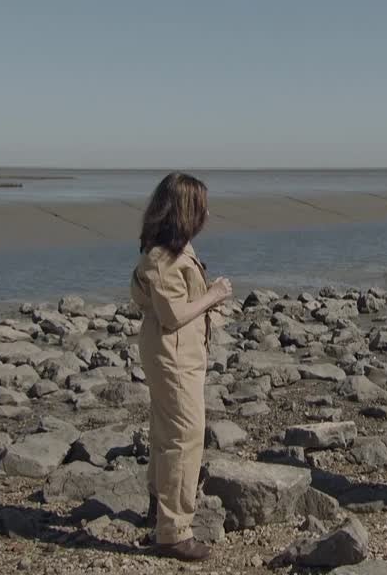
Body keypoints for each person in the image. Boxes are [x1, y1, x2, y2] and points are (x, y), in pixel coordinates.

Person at [130, 172, 232, 560]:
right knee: (183, 437)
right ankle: (172, 532)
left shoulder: (170, 248)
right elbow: (173, 315)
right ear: (186, 211)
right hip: (173, 354)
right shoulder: (163, 257)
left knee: (167, 431)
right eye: (201, 207)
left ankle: (161, 513)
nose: (206, 213)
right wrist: (214, 295)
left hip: (177, 353)